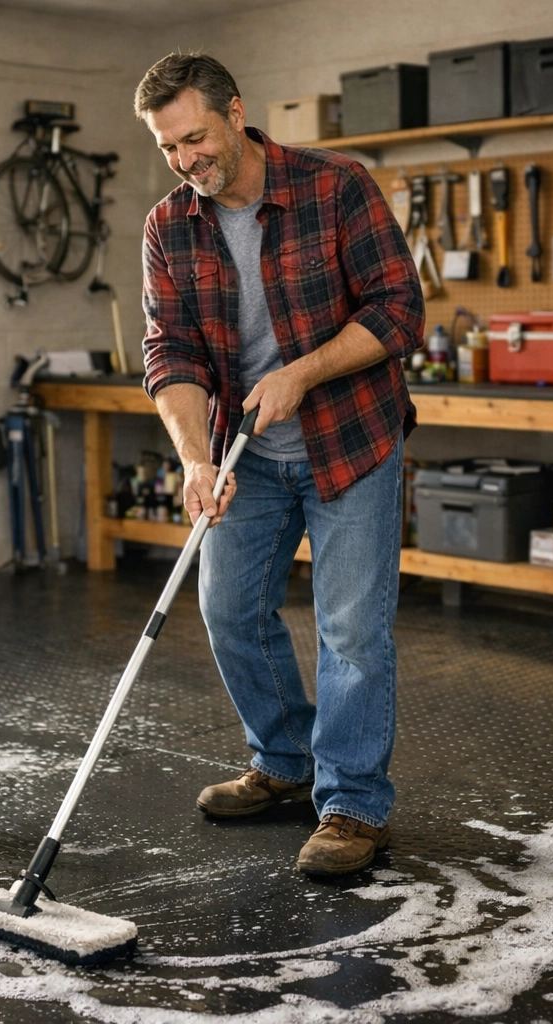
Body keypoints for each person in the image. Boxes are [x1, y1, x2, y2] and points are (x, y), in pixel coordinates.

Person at [133, 52, 423, 875]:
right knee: (229, 611)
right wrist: (196, 460)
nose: (186, 160)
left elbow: (398, 310)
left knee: (351, 630)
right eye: (168, 148)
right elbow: (170, 350)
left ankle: (353, 805)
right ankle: (286, 763)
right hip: (245, 453)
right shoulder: (168, 226)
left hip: (351, 440)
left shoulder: (336, 186)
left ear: (235, 112)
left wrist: (302, 373)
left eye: (195, 138)